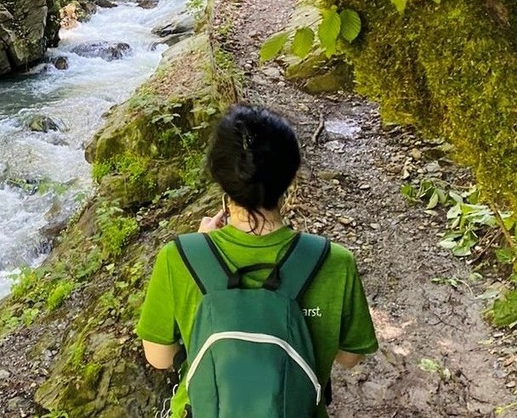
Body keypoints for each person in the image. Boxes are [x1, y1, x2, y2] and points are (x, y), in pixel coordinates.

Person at [136, 103, 378, 418]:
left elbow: (159, 357)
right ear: (291, 178)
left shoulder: (179, 258)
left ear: (219, 177)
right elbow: (349, 358)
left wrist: (202, 249)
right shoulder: (334, 261)